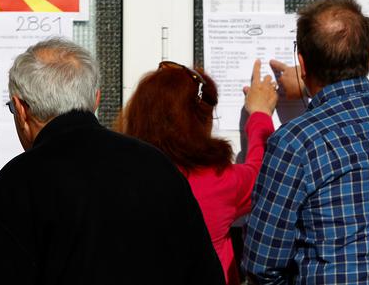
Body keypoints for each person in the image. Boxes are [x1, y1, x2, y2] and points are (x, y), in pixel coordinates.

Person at [0, 37, 225, 285]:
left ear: (20, 109)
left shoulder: (18, 183)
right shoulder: (157, 166)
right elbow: (205, 274)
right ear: (96, 99)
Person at [243, 0, 369, 284]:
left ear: (301, 62)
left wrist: (262, 114)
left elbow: (262, 264)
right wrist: (307, 85)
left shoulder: (293, 143)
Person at [117, 59, 278, 285]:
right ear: (198, 122)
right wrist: (260, 114)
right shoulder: (217, 181)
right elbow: (265, 174)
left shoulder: (119, 175)